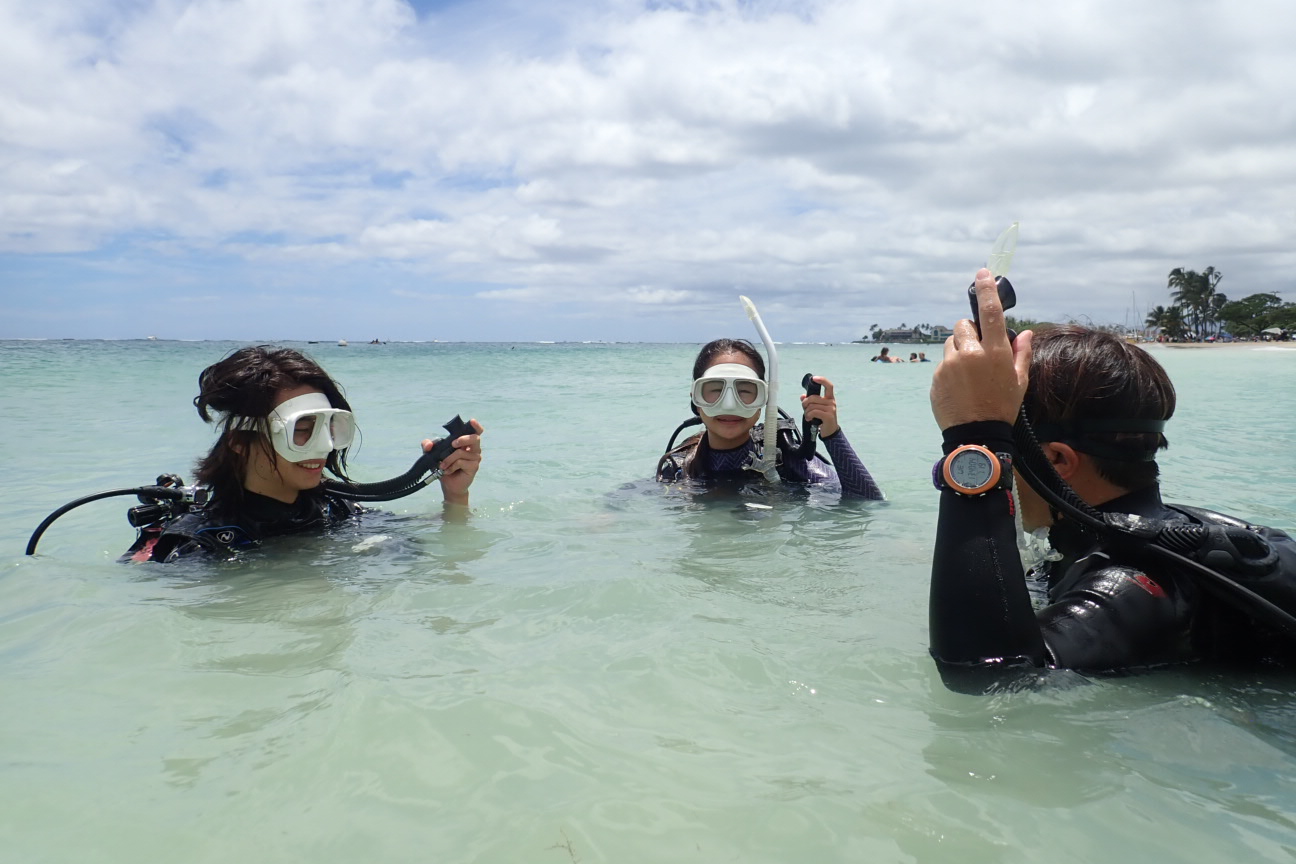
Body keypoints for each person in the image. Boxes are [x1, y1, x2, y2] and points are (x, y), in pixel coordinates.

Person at [928, 269, 1295, 690]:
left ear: (1056, 460)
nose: (1003, 469)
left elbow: (987, 676)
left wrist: (974, 438)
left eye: (1004, 457)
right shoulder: (1165, 536)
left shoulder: (1130, 583)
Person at [127, 346, 483, 562]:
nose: (324, 445)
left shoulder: (336, 509)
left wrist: (455, 495)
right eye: (301, 429)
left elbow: (448, 544)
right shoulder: (201, 543)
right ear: (239, 440)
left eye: (329, 426)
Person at [656, 338, 883, 498]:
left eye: (745, 390)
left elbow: (866, 502)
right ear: (696, 399)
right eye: (714, 389)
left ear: (765, 399)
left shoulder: (783, 456)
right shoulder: (679, 467)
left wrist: (832, 435)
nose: (729, 404)